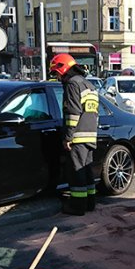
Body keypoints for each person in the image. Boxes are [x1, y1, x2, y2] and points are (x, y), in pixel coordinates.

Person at [49, 53, 98, 215]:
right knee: (86, 171)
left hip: (78, 136)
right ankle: (90, 203)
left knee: (76, 172)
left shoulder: (72, 84)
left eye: (56, 74)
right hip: (90, 135)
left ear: (62, 68)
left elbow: (72, 113)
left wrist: (68, 137)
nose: (57, 78)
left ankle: (77, 206)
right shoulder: (88, 84)